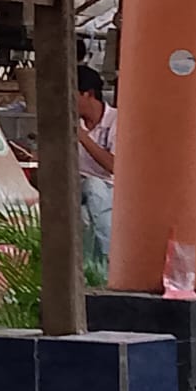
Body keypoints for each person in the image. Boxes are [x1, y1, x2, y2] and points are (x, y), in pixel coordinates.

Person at [76, 65, 117, 276]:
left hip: (111, 191)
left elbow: (113, 166)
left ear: (88, 94)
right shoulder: (70, 121)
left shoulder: (117, 120)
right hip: (76, 186)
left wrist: (82, 137)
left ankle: (109, 263)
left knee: (92, 198)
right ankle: (101, 267)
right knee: (89, 193)